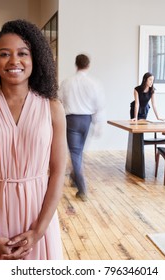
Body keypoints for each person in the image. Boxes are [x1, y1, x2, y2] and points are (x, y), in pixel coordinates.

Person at [0, 20, 66, 260]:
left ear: (35, 58)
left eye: (22, 53)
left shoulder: (52, 108)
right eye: (4, 54)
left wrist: (38, 231)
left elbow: (58, 171)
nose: (13, 61)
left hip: (38, 217)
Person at [59, 54, 105, 202]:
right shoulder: (94, 83)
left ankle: (82, 188)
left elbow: (59, 100)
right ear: (88, 65)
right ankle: (75, 178)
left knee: (75, 153)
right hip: (86, 120)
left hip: (71, 120)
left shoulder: (67, 82)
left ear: (76, 64)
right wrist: (98, 124)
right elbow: (99, 105)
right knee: (79, 152)